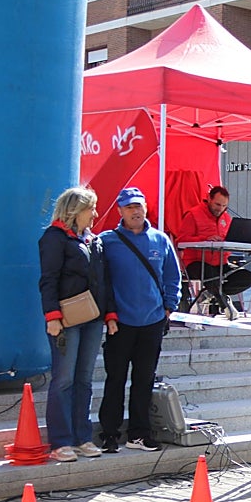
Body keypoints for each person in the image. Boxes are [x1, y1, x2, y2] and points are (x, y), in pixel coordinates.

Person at [98, 187, 182, 453]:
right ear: (120, 211)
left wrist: (169, 307)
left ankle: (139, 434)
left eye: (138, 206)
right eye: (129, 207)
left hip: (152, 321)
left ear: (145, 208)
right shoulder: (106, 241)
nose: (135, 211)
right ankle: (109, 433)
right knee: (115, 379)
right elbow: (99, 281)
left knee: (144, 379)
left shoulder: (160, 239)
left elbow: (173, 276)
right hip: (119, 323)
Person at [38, 186, 110, 462]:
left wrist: (109, 315)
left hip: (92, 318)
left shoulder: (92, 240)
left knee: (85, 379)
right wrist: (52, 317)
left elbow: (104, 280)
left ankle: (83, 437)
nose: (95, 214)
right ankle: (60, 441)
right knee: (64, 380)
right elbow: (48, 281)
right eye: (91, 208)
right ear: (75, 211)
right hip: (66, 319)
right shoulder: (54, 239)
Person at [172, 185, 251, 314]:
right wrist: (205, 239)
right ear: (209, 198)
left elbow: (228, 239)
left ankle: (214, 293)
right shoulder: (193, 214)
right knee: (212, 276)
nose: (220, 209)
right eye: (217, 204)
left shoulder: (226, 218)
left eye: (224, 206)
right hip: (195, 263)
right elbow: (181, 241)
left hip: (221, 263)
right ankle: (223, 303)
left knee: (246, 277)